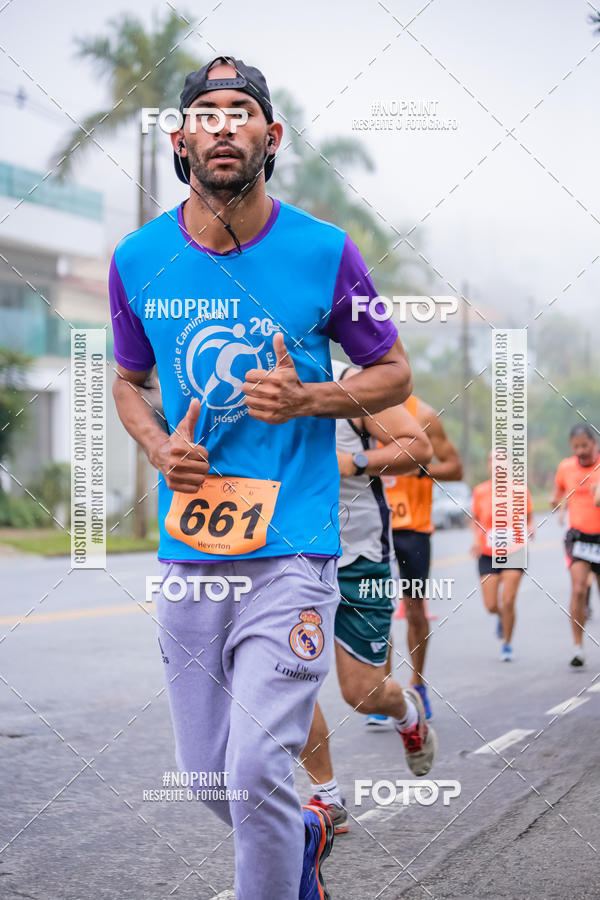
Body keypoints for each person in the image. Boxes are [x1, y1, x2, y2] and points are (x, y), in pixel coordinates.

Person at [109, 56, 413, 900]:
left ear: (269, 137)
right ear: (181, 141)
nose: (224, 126)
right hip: (191, 555)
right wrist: (157, 446)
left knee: (253, 767)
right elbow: (127, 382)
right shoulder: (137, 259)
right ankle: (304, 837)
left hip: (294, 549)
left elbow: (393, 372)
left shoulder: (325, 251)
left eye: (241, 112)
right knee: (211, 779)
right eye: (206, 114)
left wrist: (312, 395)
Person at [300, 362, 437, 833]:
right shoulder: (245, 381)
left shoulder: (350, 381)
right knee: (287, 680)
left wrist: (355, 462)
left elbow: (419, 446)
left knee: (364, 694)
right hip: (287, 558)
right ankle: (327, 796)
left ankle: (407, 715)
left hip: (358, 559)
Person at [383, 395, 463, 718]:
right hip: (374, 525)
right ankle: (383, 688)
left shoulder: (425, 414)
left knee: (415, 610)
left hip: (414, 529)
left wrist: (422, 471)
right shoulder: (358, 408)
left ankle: (416, 684)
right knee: (377, 608)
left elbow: (455, 468)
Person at [471, 452, 535, 661]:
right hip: (488, 553)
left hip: (514, 551)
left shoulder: (520, 490)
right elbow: (475, 519)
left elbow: (529, 517)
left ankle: (507, 644)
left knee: (508, 600)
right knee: (491, 606)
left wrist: (531, 528)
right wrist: (474, 539)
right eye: (493, 461)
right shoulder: (480, 491)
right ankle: (501, 618)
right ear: (488, 465)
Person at [551, 424, 600, 668]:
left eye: (585, 445)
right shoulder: (566, 467)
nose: (581, 450)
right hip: (578, 537)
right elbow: (557, 493)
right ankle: (578, 648)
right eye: (576, 446)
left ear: (594, 444)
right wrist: (558, 504)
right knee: (579, 589)